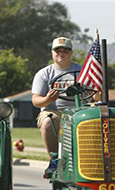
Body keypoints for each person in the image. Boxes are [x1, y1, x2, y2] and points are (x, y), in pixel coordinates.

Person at [32, 37, 81, 174]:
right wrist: (47, 99)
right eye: (57, 50)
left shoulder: (82, 71)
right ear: (52, 53)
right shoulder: (44, 74)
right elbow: (36, 101)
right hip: (54, 111)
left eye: (65, 51)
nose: (61, 53)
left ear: (71, 53)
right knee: (48, 121)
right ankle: (54, 160)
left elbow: (95, 94)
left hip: (80, 111)